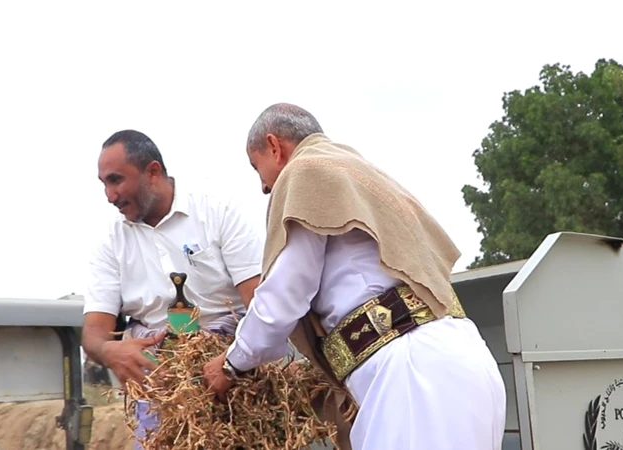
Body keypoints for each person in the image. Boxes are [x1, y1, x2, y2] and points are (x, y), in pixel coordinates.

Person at [203, 103, 507, 450]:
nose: (264, 187)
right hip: (462, 360)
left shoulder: (304, 172)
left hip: (413, 376)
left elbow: (283, 295)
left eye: (257, 168)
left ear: (275, 146)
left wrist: (232, 363)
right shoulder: (361, 171)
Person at [80, 129, 264, 448]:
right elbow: (93, 334)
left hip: (234, 377)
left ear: (152, 172)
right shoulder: (111, 242)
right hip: (160, 390)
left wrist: (232, 360)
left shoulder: (217, 212)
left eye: (116, 180)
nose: (110, 195)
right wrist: (109, 350)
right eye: (104, 184)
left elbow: (261, 303)